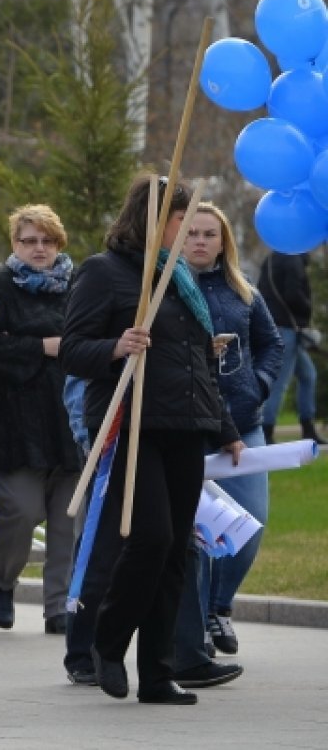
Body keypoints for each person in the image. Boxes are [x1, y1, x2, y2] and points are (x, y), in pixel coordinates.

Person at [61, 174, 244, 705]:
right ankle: (108, 641)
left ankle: (158, 672)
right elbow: (73, 349)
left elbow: (196, 360)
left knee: (176, 552)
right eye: (177, 217)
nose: (187, 229)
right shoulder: (106, 273)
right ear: (151, 218)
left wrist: (225, 427)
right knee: (150, 539)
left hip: (184, 425)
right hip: (132, 424)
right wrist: (116, 345)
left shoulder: (181, 278)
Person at [0, 205, 81, 635]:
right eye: (30, 240)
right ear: (15, 244)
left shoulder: (77, 285)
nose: (39, 248)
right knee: (20, 511)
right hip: (16, 422)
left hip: (69, 419)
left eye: (47, 241)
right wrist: (41, 348)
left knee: (67, 519)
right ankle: (3, 580)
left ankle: (59, 607)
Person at [183, 202, 283, 656]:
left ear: (224, 242)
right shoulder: (169, 291)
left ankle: (218, 609)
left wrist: (257, 386)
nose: (200, 242)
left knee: (250, 527)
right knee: (200, 536)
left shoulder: (244, 292)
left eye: (209, 234)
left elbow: (272, 344)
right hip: (191, 428)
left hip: (244, 428)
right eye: (192, 233)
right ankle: (196, 630)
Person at [258, 251, 324, 445]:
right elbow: (293, 295)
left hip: (276, 325)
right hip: (286, 328)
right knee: (279, 383)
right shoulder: (293, 260)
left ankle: (308, 428)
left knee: (308, 375)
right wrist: (307, 311)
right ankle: (267, 432)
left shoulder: (270, 259)